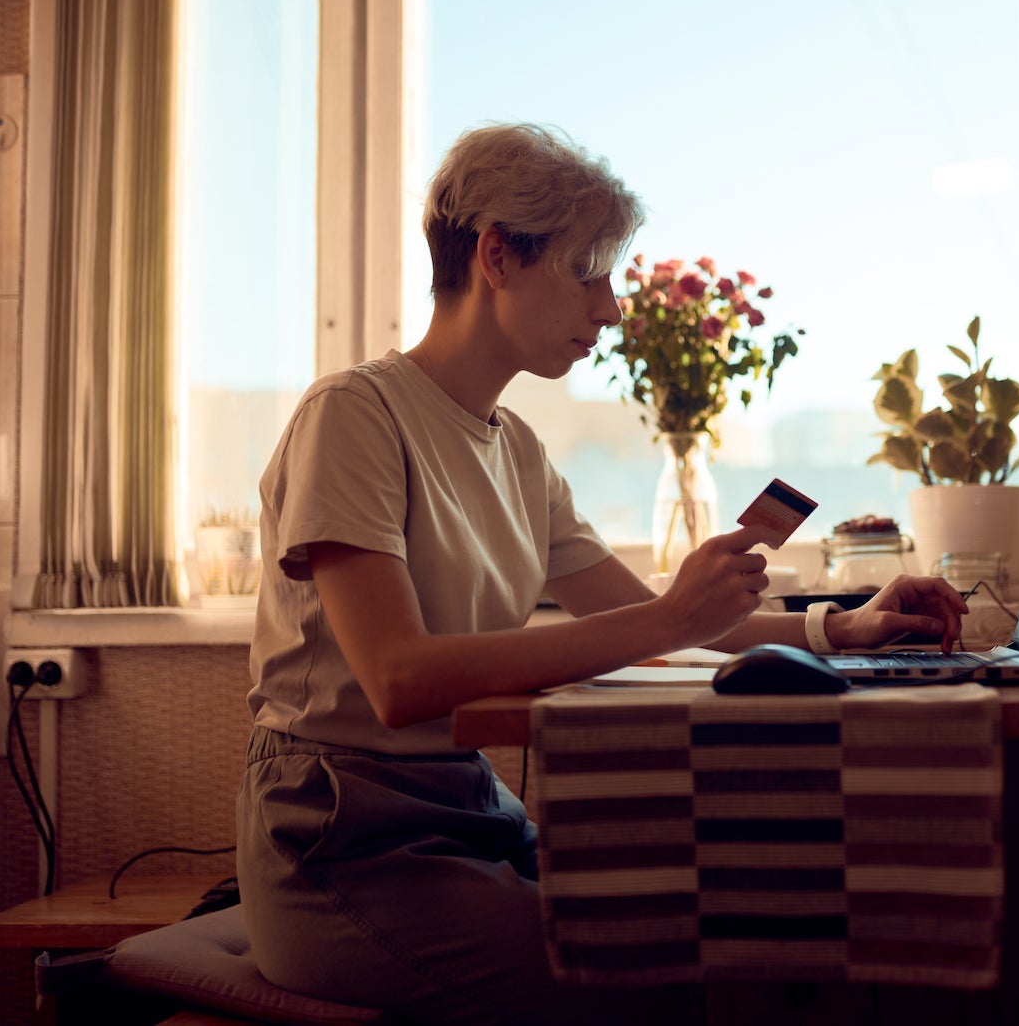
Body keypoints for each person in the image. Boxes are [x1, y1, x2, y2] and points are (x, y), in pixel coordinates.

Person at [235, 122, 968, 1025]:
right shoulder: (353, 415)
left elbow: (667, 615)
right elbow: (398, 680)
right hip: (345, 840)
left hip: (471, 813)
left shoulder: (522, 452)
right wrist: (667, 623)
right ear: (497, 255)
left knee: (740, 922)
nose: (611, 308)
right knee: (647, 975)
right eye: (588, 272)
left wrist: (839, 627)